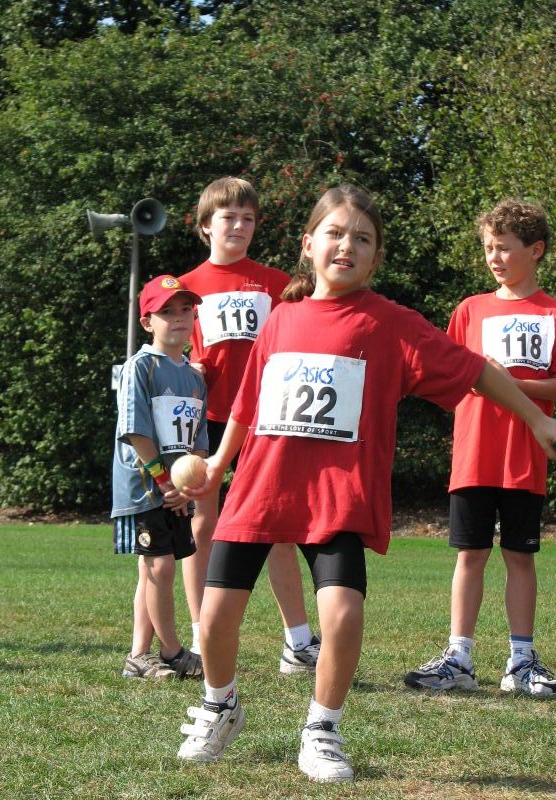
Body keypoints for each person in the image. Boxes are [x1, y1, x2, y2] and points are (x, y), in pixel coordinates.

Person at [175, 186, 556, 781]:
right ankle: (220, 703)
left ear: (376, 258)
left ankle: (322, 727)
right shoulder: (282, 317)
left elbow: (476, 370)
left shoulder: (391, 323)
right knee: (214, 616)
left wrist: (537, 417)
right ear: (309, 244)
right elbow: (246, 403)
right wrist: (216, 465)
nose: (347, 246)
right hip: (261, 486)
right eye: (335, 233)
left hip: (338, 495)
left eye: (362, 239)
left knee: (340, 614)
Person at [404, 199, 556, 697]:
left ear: (536, 250)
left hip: (525, 459)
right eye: (488, 249)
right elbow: (450, 375)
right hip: (474, 455)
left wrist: (506, 383)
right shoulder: (469, 310)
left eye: (504, 248)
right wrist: (483, 382)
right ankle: (458, 657)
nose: (494, 258)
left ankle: (521, 661)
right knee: (470, 554)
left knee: (520, 557)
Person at [179, 177, 319, 672]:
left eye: (248, 218)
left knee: (279, 528)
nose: (238, 226)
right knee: (204, 526)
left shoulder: (277, 282)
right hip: (208, 421)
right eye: (228, 217)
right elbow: (170, 350)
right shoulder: (184, 287)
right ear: (204, 226)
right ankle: (201, 638)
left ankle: (298, 643)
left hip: (269, 420)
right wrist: (186, 364)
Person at [111, 275, 208, 680]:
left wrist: (188, 486)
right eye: (167, 312)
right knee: (160, 567)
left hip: (175, 491)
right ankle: (171, 652)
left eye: (185, 309)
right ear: (148, 321)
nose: (179, 318)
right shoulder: (140, 367)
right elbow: (136, 432)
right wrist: (165, 481)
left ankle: (139, 654)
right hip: (144, 486)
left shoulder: (194, 376)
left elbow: (199, 439)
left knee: (152, 569)